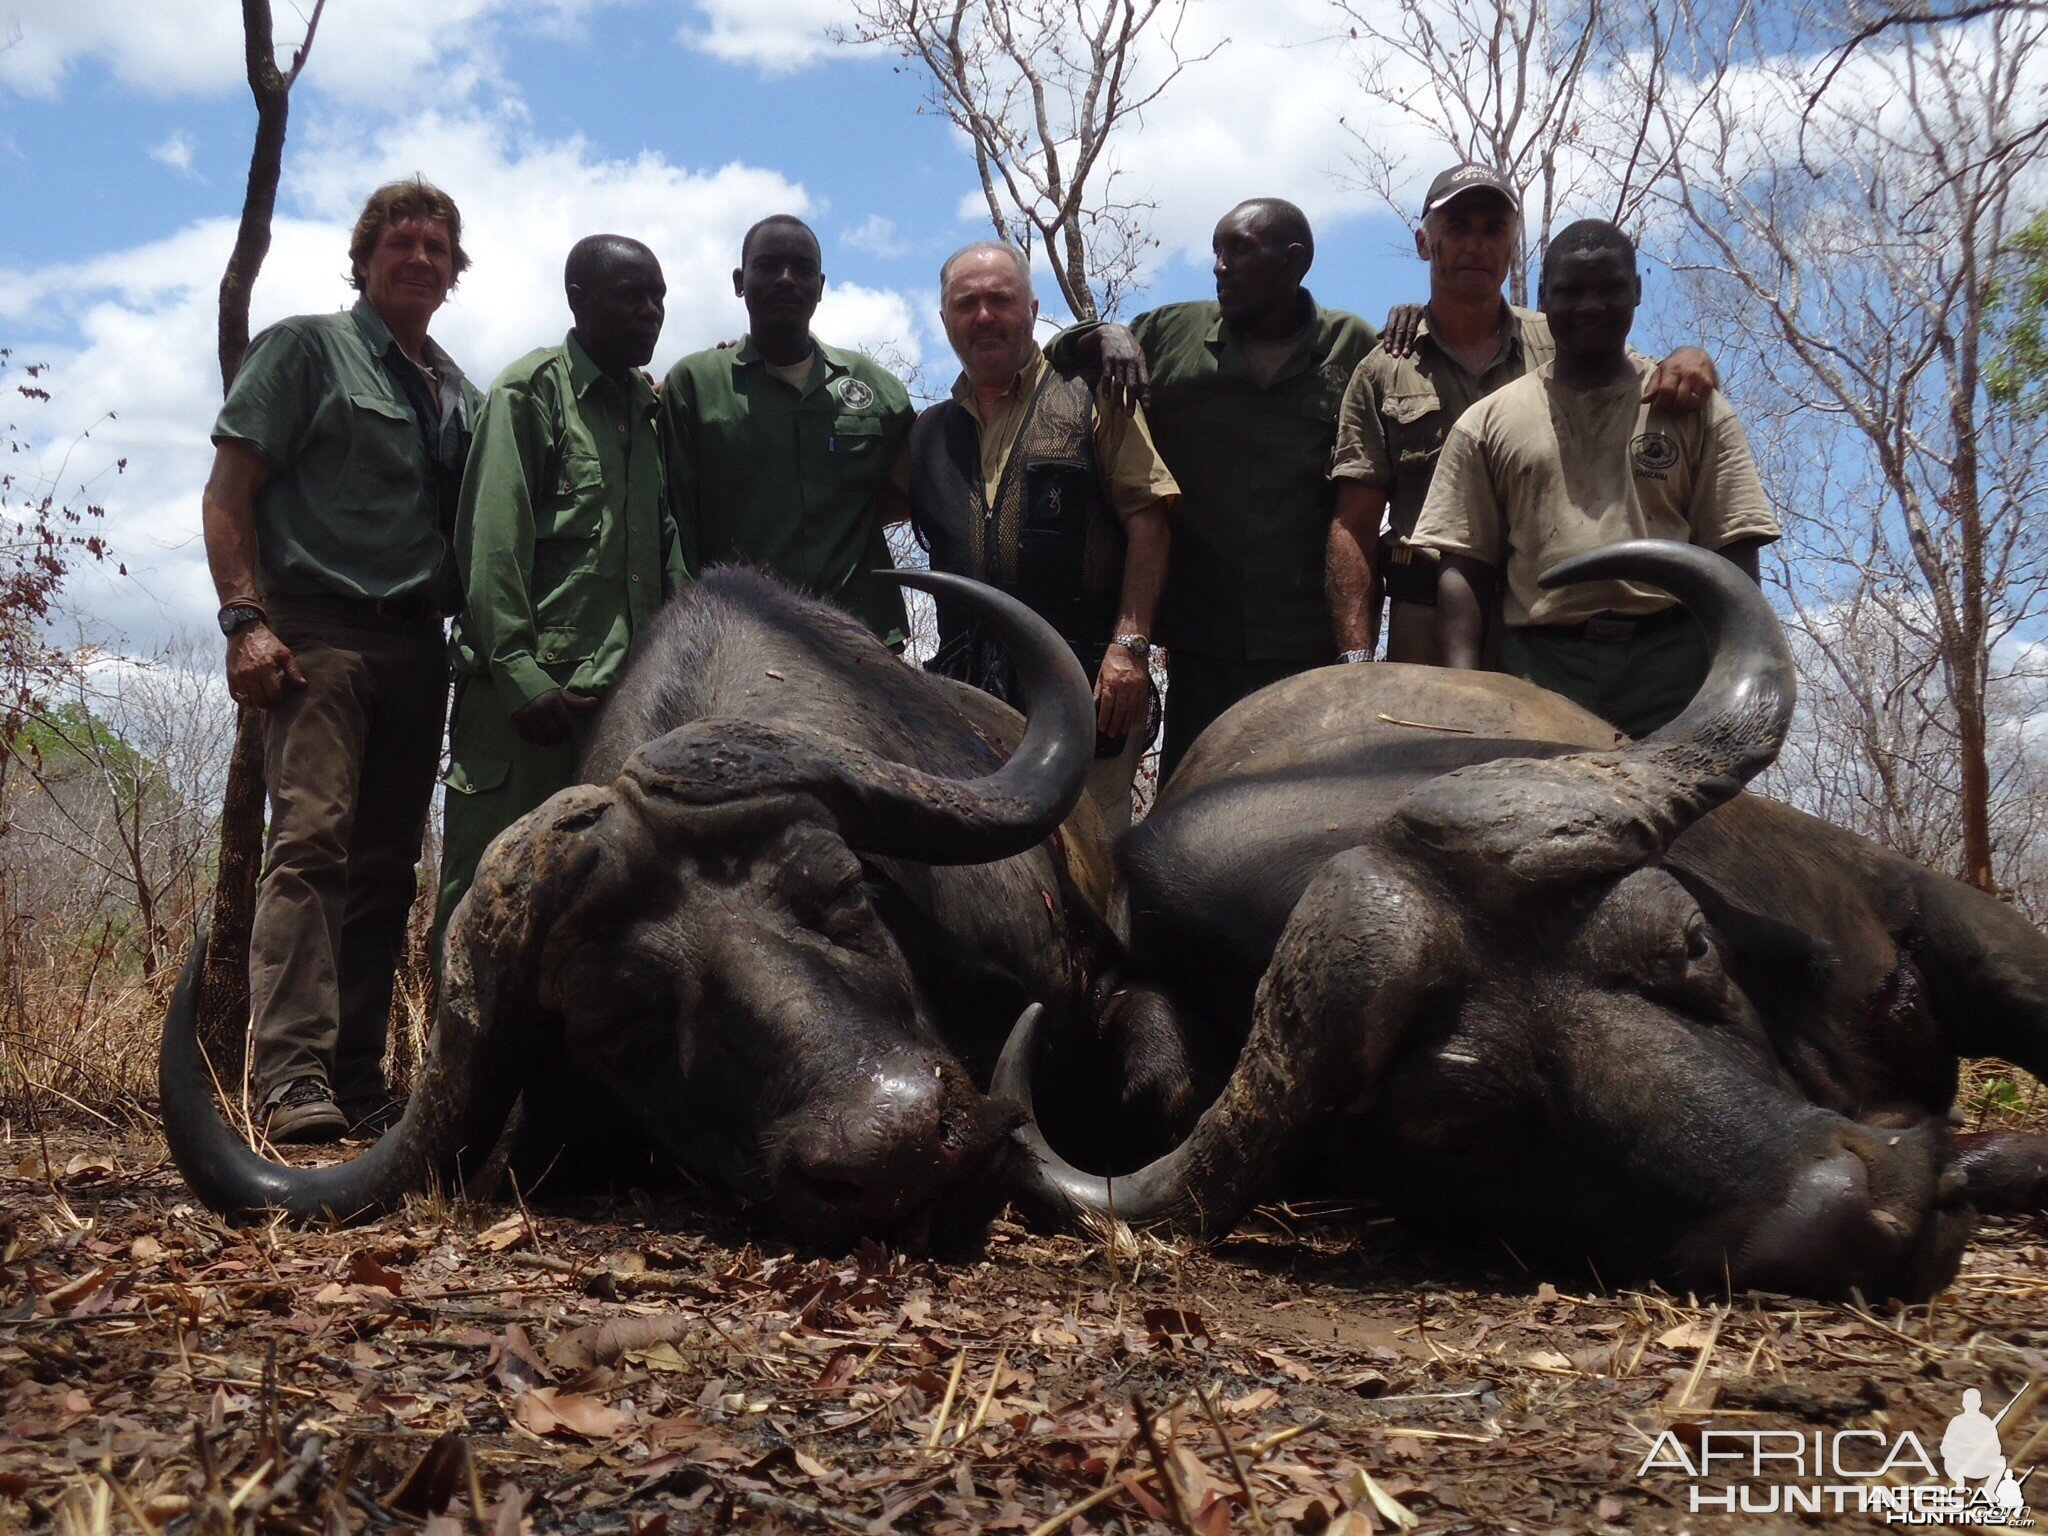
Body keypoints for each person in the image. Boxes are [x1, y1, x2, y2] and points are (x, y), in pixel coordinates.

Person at [203, 178, 479, 1144]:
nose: (418, 259)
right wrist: (245, 619)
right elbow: (230, 488)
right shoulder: (306, 348)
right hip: (317, 636)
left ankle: (358, 1077)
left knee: (389, 868)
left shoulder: (459, 393)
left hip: (418, 646)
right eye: (399, 242)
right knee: (310, 847)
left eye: (436, 248)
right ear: (363, 259)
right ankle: (288, 1079)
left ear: (455, 272)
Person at [1327, 164, 1722, 664]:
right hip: (1424, 616)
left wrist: (1691, 358)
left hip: (1540, 626)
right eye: (1459, 228)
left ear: (1513, 245)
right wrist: (1357, 658)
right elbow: (1354, 524)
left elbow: (1638, 385)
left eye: (1494, 230)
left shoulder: (1563, 336)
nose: (1478, 245)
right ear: (1426, 242)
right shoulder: (1384, 368)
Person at [1409, 220, 1780, 737]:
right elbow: (1464, 565)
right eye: (1570, 290)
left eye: (1610, 288)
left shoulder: (1695, 409)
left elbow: (1734, 555)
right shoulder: (1488, 422)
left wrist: (1736, 676)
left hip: (1672, 662)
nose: (1590, 306)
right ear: (1542, 297)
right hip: (1541, 665)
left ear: (1638, 292)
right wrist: (1466, 697)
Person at [1049, 199, 1378, 778]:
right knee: (1194, 804)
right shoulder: (1172, 332)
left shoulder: (1351, 344)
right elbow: (1059, 353)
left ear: (1295, 260)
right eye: (1216, 252)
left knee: (1307, 808)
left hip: (1307, 640)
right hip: (1201, 639)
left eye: (1240, 250)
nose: (1220, 267)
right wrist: (1103, 333)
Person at [438, 235, 681, 932]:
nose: (650, 313)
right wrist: (520, 674)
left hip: (622, 721)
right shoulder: (529, 392)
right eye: (631, 296)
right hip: (527, 717)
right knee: (488, 909)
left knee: (603, 925)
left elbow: (669, 558)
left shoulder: (649, 411)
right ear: (578, 298)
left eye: (659, 298)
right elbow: (491, 545)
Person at [909, 242, 1178, 834]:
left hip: (1084, 691)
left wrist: (1130, 648)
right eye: (966, 303)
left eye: (1000, 300)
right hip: (966, 703)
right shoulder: (927, 433)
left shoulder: (1093, 395)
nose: (984, 316)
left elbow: (1149, 520)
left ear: (1031, 310)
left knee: (1093, 865)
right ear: (945, 320)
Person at [659, 215, 915, 645]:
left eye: (803, 268)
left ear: (821, 285)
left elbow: (918, 489)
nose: (785, 279)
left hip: (864, 642)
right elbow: (675, 529)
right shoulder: (696, 384)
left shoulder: (875, 386)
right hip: (736, 648)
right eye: (768, 265)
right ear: (740, 282)